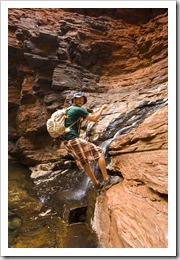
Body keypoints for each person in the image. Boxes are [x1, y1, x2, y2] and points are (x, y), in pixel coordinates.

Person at [64, 92, 112, 189]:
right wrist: (102, 108)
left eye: (83, 100)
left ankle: (96, 184)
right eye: (79, 99)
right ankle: (107, 179)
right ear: (73, 100)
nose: (81, 101)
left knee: (85, 162)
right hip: (74, 140)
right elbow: (94, 119)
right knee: (100, 152)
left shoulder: (68, 110)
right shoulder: (77, 109)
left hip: (68, 143)